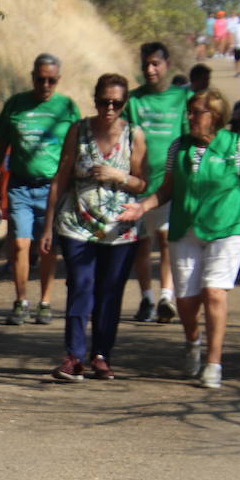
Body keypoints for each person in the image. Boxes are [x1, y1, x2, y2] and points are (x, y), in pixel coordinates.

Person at [124, 88, 240, 388]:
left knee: (214, 292)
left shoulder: (237, 145)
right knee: (186, 301)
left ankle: (213, 363)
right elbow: (167, 189)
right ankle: (193, 341)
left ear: (215, 116)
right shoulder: (178, 146)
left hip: (226, 228)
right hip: (185, 227)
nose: (190, 117)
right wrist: (142, 207)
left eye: (196, 112)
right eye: (189, 112)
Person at [40, 73, 148, 381]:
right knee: (80, 287)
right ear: (95, 100)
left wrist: (119, 176)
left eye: (116, 103)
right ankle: (73, 356)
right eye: (103, 102)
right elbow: (61, 176)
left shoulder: (134, 135)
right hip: (77, 223)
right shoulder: (79, 130)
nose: (109, 108)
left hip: (119, 228)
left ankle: (101, 355)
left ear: (125, 104)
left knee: (109, 292)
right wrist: (48, 225)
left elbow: (143, 183)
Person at [0, 53, 80, 326]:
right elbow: (1, 145)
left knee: (47, 246)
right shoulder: (16, 105)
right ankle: (21, 300)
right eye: (40, 79)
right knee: (19, 243)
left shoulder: (68, 108)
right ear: (32, 77)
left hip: (53, 189)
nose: (45, 85)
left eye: (51, 80)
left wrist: (73, 184)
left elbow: (75, 148)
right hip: (20, 186)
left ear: (58, 80)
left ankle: (45, 302)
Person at [124, 41, 188, 324]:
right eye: (145, 65)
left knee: (166, 240)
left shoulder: (181, 98)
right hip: (138, 184)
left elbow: (188, 138)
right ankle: (146, 299)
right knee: (141, 244)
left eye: (155, 64)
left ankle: (166, 296)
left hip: (169, 184)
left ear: (167, 64)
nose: (150, 70)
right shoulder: (133, 101)